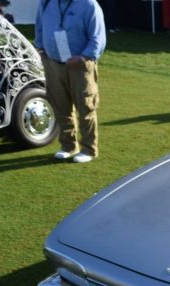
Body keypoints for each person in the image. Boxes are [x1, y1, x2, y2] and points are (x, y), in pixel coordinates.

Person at [35, 0, 106, 163]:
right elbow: (39, 27)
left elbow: (98, 37)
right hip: (53, 63)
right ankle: (68, 146)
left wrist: (83, 57)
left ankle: (89, 149)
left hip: (80, 65)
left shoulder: (89, 5)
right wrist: (40, 48)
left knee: (85, 106)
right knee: (60, 106)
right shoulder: (46, 3)